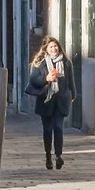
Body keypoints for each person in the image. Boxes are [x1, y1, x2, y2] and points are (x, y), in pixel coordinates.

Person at [28, 36, 71, 170]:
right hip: (45, 101)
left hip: (60, 101)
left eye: (55, 46)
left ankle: (58, 156)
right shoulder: (39, 63)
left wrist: (72, 96)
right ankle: (48, 155)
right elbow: (33, 80)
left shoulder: (66, 63)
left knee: (58, 127)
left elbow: (71, 82)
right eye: (51, 47)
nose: (54, 49)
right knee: (47, 129)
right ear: (46, 49)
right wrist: (46, 78)